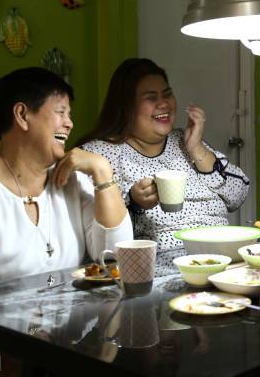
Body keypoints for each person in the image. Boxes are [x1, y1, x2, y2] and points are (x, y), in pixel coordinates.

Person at [0, 67, 132, 359]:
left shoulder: (74, 183)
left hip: (52, 355)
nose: (70, 124)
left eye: (69, 114)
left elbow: (119, 263)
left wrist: (102, 171)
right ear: (22, 115)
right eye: (61, 112)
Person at [79, 58, 249, 276]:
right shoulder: (99, 154)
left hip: (225, 259)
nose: (164, 103)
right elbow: (99, 241)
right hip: (166, 269)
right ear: (126, 106)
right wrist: (133, 202)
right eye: (151, 98)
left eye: (167, 94)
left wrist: (196, 148)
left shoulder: (184, 140)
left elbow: (239, 195)